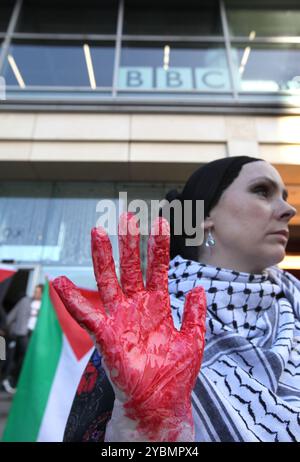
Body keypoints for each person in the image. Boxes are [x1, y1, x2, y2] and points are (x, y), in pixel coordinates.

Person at [53, 156, 300, 442]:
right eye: (262, 191)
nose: (288, 210)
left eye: (284, 196)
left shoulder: (293, 306)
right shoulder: (143, 328)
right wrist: (138, 435)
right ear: (206, 217)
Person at [1, 284, 43, 393]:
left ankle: (15, 380)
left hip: (35, 334)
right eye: (35, 291)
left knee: (23, 358)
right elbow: (12, 315)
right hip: (23, 333)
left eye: (38, 292)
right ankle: (10, 379)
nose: (35, 293)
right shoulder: (26, 301)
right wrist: (6, 329)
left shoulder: (45, 305)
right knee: (22, 356)